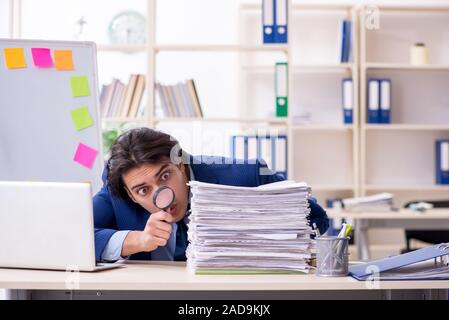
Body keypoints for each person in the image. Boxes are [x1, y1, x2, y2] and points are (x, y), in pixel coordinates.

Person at [94, 127, 329, 262]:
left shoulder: (246, 175)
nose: (162, 196)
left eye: (165, 176)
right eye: (143, 191)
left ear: (181, 165)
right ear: (131, 194)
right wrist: (137, 240)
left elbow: (316, 218)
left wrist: (256, 226)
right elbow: (71, 235)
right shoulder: (118, 188)